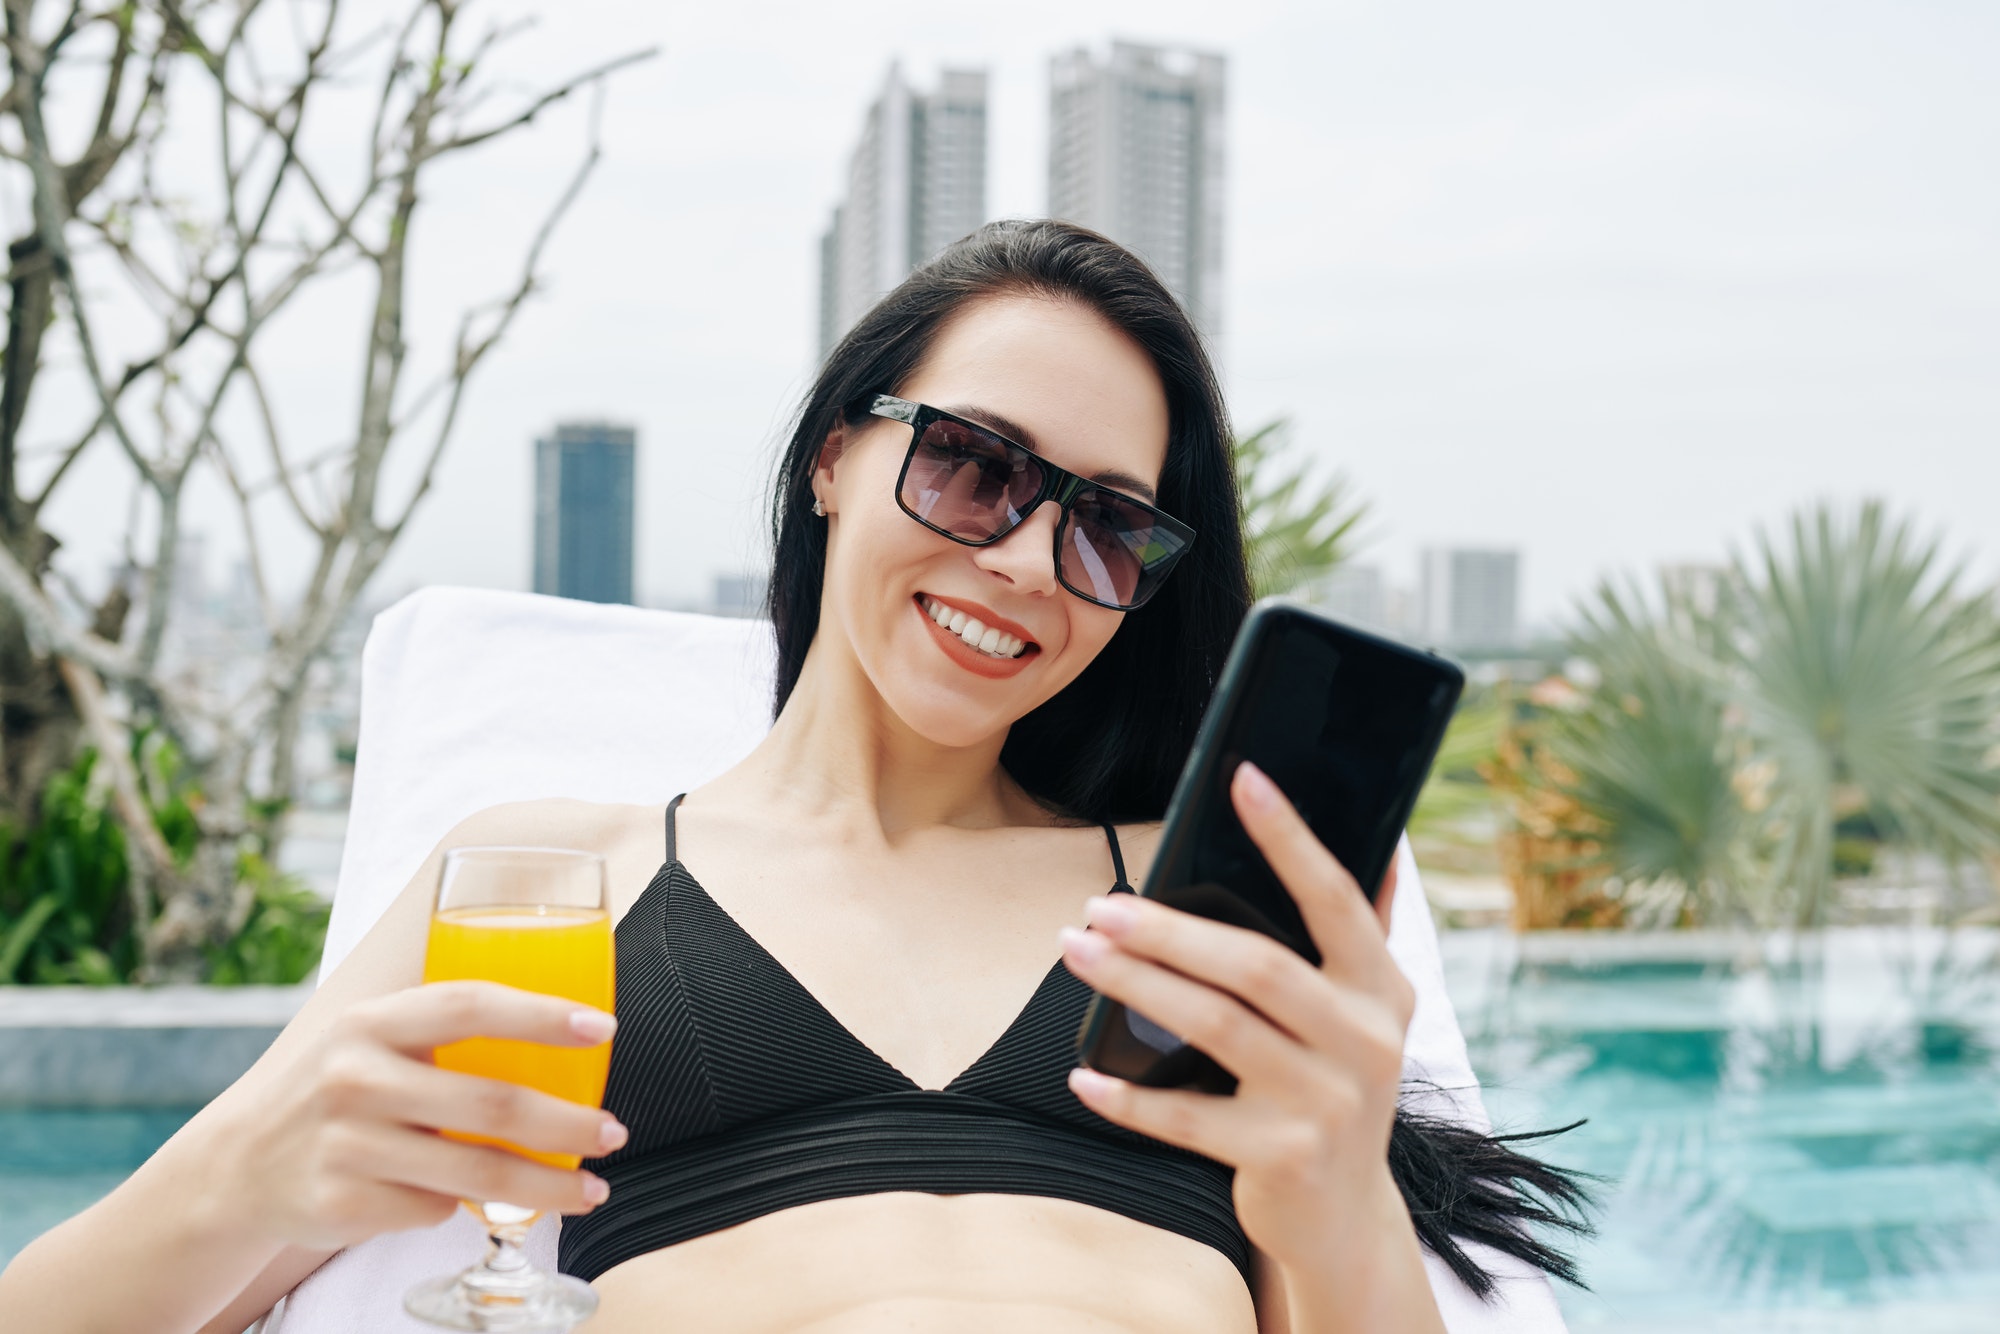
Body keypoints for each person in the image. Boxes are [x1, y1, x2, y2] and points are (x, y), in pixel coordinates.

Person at [0, 220, 1586, 1334]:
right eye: (973, 465)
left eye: (1107, 524)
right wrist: (239, 1179)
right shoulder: (556, 878)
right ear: (835, 454)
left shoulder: (1188, 907)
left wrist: (1341, 1181)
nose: (1025, 558)